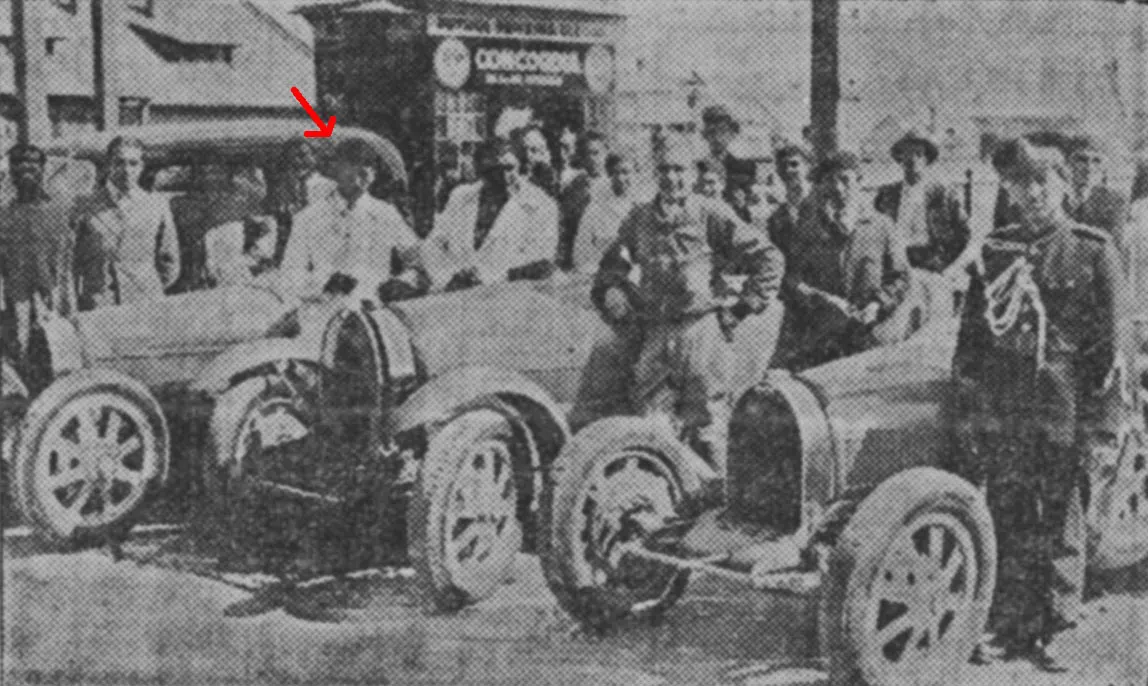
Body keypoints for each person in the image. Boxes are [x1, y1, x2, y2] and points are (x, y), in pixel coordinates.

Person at [950, 138, 1130, 669]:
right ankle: (1009, 624)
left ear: (1064, 187)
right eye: (1018, 184)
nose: (1030, 194)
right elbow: (972, 343)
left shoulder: (1092, 249)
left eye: (1041, 183)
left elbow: (1113, 352)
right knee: (1006, 515)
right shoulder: (996, 251)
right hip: (1005, 409)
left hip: (1064, 410)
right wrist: (971, 412)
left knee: (1061, 519)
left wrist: (1103, 429)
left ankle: (1058, 625)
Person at [591, 135, 783, 486]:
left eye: (679, 170)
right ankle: (668, 502)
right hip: (656, 333)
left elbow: (769, 258)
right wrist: (612, 288)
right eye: (664, 169)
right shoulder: (640, 218)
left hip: (701, 333)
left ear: (692, 173)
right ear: (655, 173)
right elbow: (612, 263)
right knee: (651, 429)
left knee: (709, 429)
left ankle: (720, 503)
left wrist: (741, 309)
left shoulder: (709, 213)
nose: (672, 178)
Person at [774, 151, 910, 370]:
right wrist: (822, 299)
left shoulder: (881, 226)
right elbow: (791, 280)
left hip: (870, 338)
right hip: (822, 340)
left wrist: (877, 305)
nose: (838, 188)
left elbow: (900, 278)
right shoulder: (807, 228)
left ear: (860, 181)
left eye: (845, 180)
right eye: (830, 180)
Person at [279, 138, 427, 303]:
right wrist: (322, 284)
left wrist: (402, 282)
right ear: (335, 168)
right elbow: (289, 275)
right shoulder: (309, 218)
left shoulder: (386, 214)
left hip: (375, 310)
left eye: (369, 164)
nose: (362, 170)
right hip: (323, 310)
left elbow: (418, 261)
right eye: (352, 163)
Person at [424, 137, 559, 291]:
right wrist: (445, 278)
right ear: (479, 170)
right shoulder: (461, 197)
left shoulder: (542, 206)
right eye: (491, 171)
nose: (501, 177)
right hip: (455, 296)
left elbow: (541, 263)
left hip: (512, 297)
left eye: (508, 168)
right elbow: (432, 245)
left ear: (522, 166)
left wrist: (486, 278)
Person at [72, 136, 180, 310]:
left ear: (142, 166)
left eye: (133, 163)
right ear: (108, 165)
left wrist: (146, 288)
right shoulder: (84, 206)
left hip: (145, 304)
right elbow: (71, 261)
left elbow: (169, 261)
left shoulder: (156, 205)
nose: (127, 170)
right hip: (100, 305)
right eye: (119, 162)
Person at [0, 144, 75, 390]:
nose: (26, 169)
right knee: (18, 365)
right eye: (18, 163)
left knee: (57, 364)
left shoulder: (58, 212)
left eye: (33, 163)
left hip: (51, 304)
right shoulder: (3, 215)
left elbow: (67, 265)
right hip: (14, 306)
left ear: (43, 169)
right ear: (11, 172)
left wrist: (65, 305)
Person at [874, 129, 970, 273]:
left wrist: (944, 263)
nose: (912, 159)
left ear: (926, 159)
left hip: (932, 263)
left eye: (918, 154)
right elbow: (875, 233)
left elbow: (964, 234)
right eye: (907, 153)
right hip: (895, 264)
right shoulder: (887, 194)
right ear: (900, 158)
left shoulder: (944, 194)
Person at [264, 139, 337, 266]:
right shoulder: (279, 188)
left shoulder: (330, 188)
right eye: (290, 158)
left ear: (315, 157)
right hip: (290, 254)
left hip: (322, 251)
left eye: (302, 155)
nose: (297, 161)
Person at [572, 152, 638, 273]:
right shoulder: (595, 209)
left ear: (636, 173)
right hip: (603, 275)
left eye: (626, 172)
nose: (620, 178)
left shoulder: (644, 208)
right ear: (609, 175)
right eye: (615, 173)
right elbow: (580, 255)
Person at [558, 131, 609, 270]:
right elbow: (564, 227)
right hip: (580, 259)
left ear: (606, 153)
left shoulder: (614, 185)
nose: (592, 159)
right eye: (587, 154)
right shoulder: (573, 187)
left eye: (596, 153)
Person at [1063, 134, 1128, 239]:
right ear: (1069, 163)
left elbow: (1112, 241)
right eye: (1082, 159)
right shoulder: (1056, 198)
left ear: (1104, 168)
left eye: (1096, 161)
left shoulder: (1114, 201)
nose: (1089, 167)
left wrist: (1067, 227)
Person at [764, 143, 812, 258]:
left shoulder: (822, 204)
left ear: (808, 167)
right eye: (782, 166)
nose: (788, 170)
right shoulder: (776, 217)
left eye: (794, 164)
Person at [700, 104, 740, 171]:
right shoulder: (698, 165)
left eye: (722, 131)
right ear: (705, 135)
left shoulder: (741, 165)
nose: (717, 137)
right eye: (712, 132)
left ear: (732, 134)